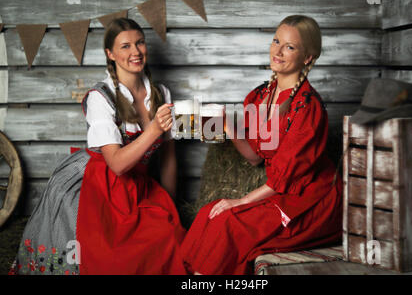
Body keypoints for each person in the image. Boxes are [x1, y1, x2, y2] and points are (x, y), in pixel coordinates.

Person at [9, 18, 186, 275]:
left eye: (140, 43)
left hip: (138, 184)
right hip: (98, 184)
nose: (135, 52)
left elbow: (169, 158)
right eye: (125, 46)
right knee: (110, 259)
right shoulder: (100, 97)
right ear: (110, 54)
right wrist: (154, 130)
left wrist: (170, 206)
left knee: (171, 239)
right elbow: (117, 164)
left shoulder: (160, 94)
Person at [181, 15, 343, 275]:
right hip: (280, 193)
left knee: (229, 223)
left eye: (289, 46)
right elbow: (255, 157)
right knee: (210, 212)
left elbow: (284, 177)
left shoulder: (307, 106)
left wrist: (241, 201)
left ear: (307, 57)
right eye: (276, 41)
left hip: (311, 201)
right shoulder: (259, 97)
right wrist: (225, 125)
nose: (277, 51)